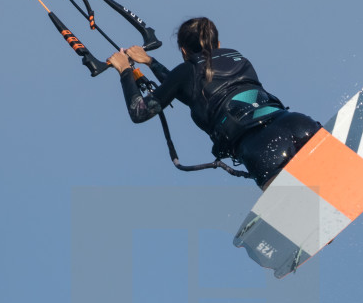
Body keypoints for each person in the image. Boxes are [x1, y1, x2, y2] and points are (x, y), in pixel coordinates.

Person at [107, 17, 321, 189]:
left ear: (183, 51)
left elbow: (140, 112)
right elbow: (194, 90)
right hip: (296, 124)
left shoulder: (184, 73)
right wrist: (151, 62)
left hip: (260, 148)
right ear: (218, 44)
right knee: (330, 186)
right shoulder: (238, 57)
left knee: (309, 223)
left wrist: (125, 70)